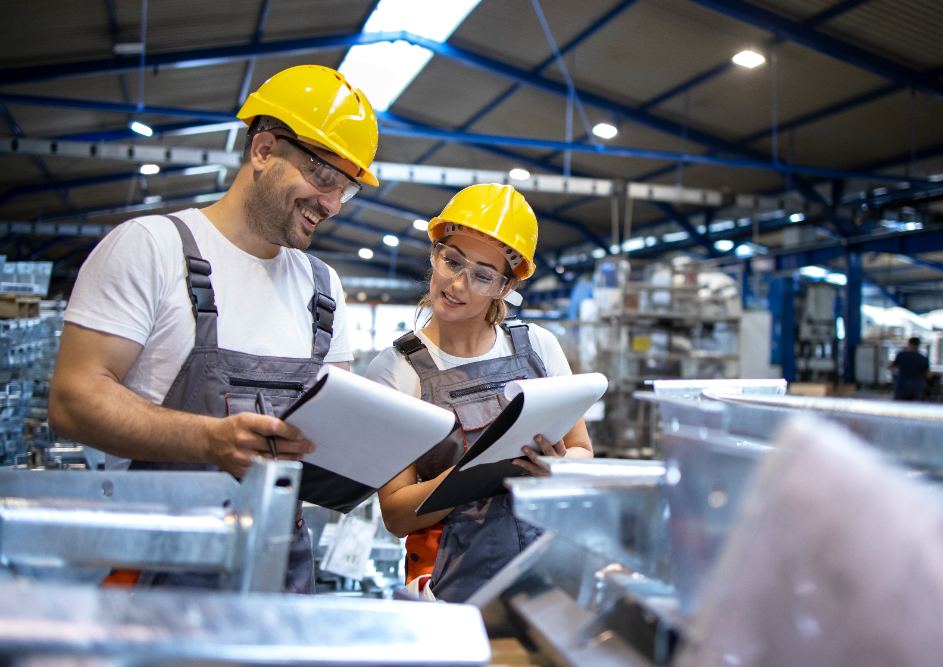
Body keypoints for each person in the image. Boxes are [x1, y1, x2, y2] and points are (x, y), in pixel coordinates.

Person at [48, 65, 380, 593]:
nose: (333, 204)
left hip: (279, 577)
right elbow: (73, 399)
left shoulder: (323, 286)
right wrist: (209, 439)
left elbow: (329, 431)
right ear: (264, 149)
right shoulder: (152, 248)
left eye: (346, 188)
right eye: (322, 176)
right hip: (157, 574)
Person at [366, 183, 593, 603]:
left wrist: (555, 468)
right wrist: (478, 474)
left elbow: (581, 450)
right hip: (448, 586)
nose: (458, 283)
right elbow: (396, 515)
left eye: (483, 275)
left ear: (504, 288)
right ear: (435, 254)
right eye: (451, 261)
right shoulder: (396, 370)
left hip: (545, 574)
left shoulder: (538, 347)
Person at [889, 336, 930, 401]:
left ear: (908, 344)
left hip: (902, 387)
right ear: (918, 345)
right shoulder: (923, 358)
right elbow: (928, 375)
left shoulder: (901, 355)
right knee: (915, 409)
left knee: (899, 408)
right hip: (917, 388)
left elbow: (891, 366)